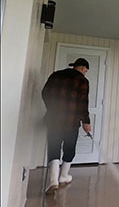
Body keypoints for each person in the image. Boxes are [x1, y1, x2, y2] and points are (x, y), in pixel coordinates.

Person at [41, 58, 91, 194]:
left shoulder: (55, 75)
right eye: (85, 71)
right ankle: (63, 176)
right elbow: (83, 103)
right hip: (71, 121)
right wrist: (86, 121)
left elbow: (44, 93)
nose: (85, 73)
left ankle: (53, 181)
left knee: (53, 147)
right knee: (69, 149)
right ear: (82, 68)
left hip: (53, 119)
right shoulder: (82, 81)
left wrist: (52, 108)